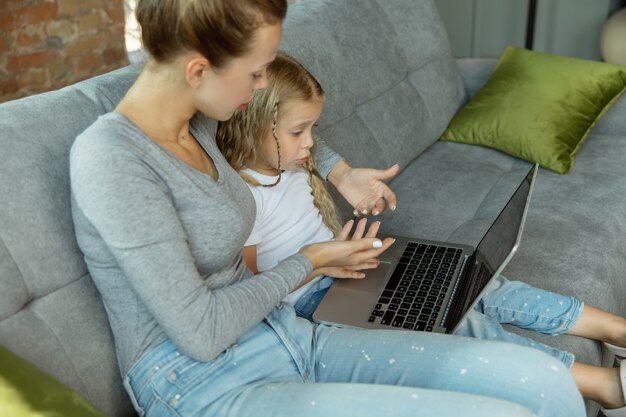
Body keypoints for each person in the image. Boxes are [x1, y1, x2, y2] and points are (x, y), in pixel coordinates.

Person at [69, 1, 586, 416]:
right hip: (200, 382)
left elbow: (276, 130)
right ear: (199, 69)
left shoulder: (200, 121)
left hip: (286, 334)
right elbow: (200, 333)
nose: (259, 86)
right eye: (254, 73)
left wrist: (341, 173)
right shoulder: (111, 159)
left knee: (542, 382)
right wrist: (312, 260)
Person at [216, 51, 626, 415]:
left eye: (312, 129)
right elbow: (255, 292)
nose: (311, 142)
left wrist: (342, 202)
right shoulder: (244, 198)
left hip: (347, 266)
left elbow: (303, 141)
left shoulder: (284, 158)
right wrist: (323, 257)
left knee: (473, 278)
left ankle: (614, 328)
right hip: (313, 299)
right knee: (458, 323)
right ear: (252, 121)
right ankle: (599, 384)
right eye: (298, 132)